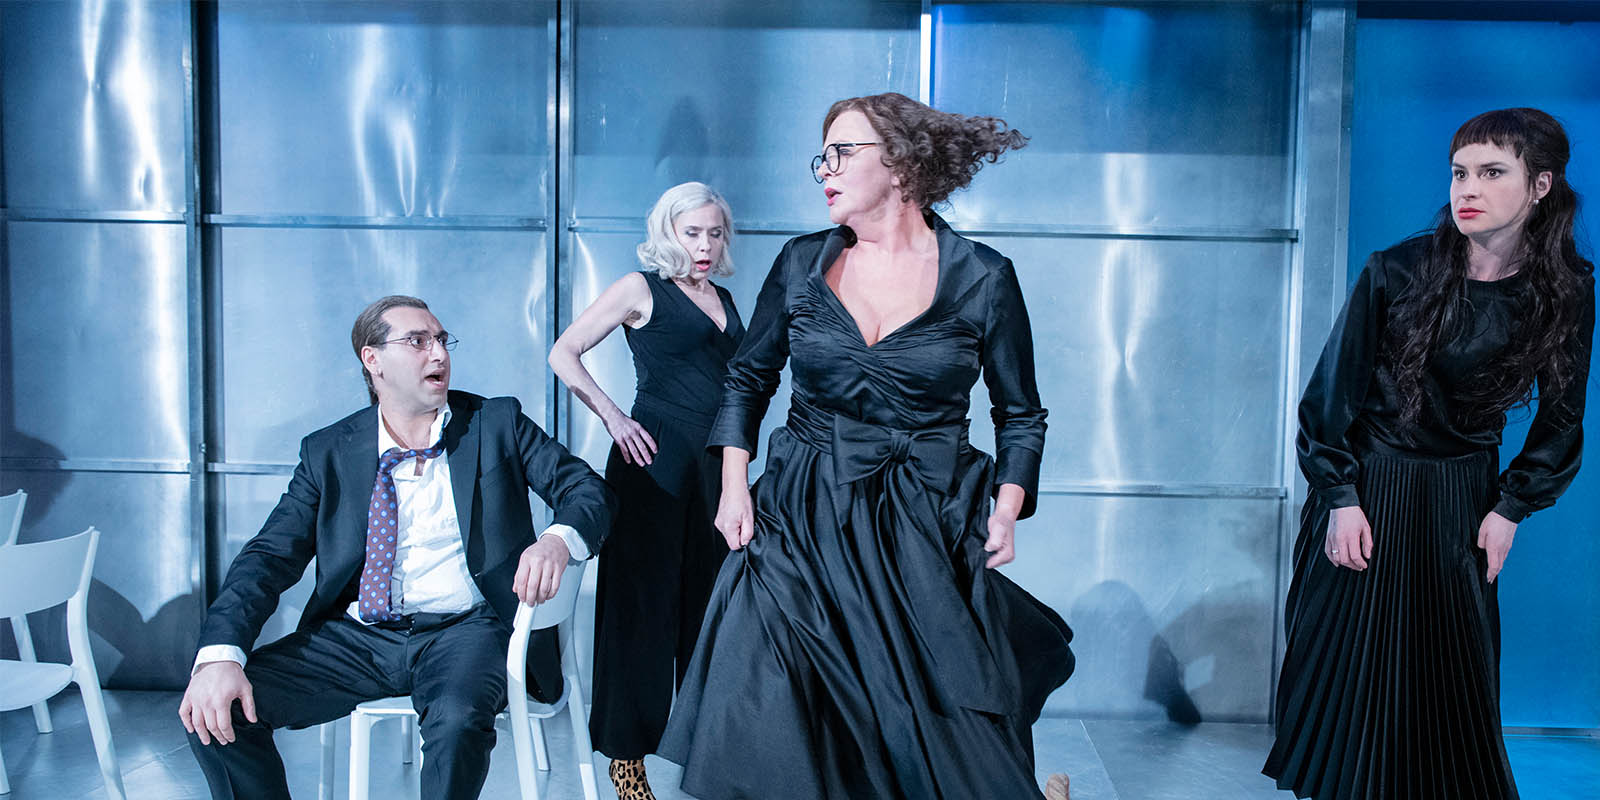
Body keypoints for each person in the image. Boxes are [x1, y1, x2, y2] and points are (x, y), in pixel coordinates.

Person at [657, 92, 1075, 800]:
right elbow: (748, 379)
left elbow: (1020, 415)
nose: (825, 169)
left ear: (901, 162)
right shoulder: (801, 262)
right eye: (821, 157)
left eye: (842, 153)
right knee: (772, 702)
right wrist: (734, 486)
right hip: (799, 508)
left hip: (924, 520)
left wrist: (1006, 509)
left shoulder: (983, 277)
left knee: (928, 730)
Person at [1265, 108, 1594, 799]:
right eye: (1459, 173)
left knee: (1446, 694)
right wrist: (1340, 499)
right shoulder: (1396, 270)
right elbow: (1328, 400)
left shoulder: (1565, 290)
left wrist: (1510, 509)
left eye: (1492, 172)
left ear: (1540, 185)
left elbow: (1562, 418)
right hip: (1369, 493)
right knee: (1347, 689)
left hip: (1460, 502)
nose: (1468, 189)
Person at [179, 295, 616, 800]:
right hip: (359, 637)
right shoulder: (329, 451)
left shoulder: (496, 422)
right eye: (418, 341)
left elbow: (587, 489)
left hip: (468, 630)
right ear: (373, 360)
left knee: (457, 722)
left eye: (441, 340)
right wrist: (220, 656)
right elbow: (268, 557)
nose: (439, 353)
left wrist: (557, 540)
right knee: (215, 709)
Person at [547, 181, 745, 800]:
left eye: (715, 233)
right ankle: (625, 758)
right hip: (652, 461)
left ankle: (707, 756)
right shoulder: (641, 288)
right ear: (668, 232)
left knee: (710, 609)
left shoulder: (723, 297)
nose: (706, 245)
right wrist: (613, 417)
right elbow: (564, 352)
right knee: (641, 608)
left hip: (714, 468)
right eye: (693, 232)